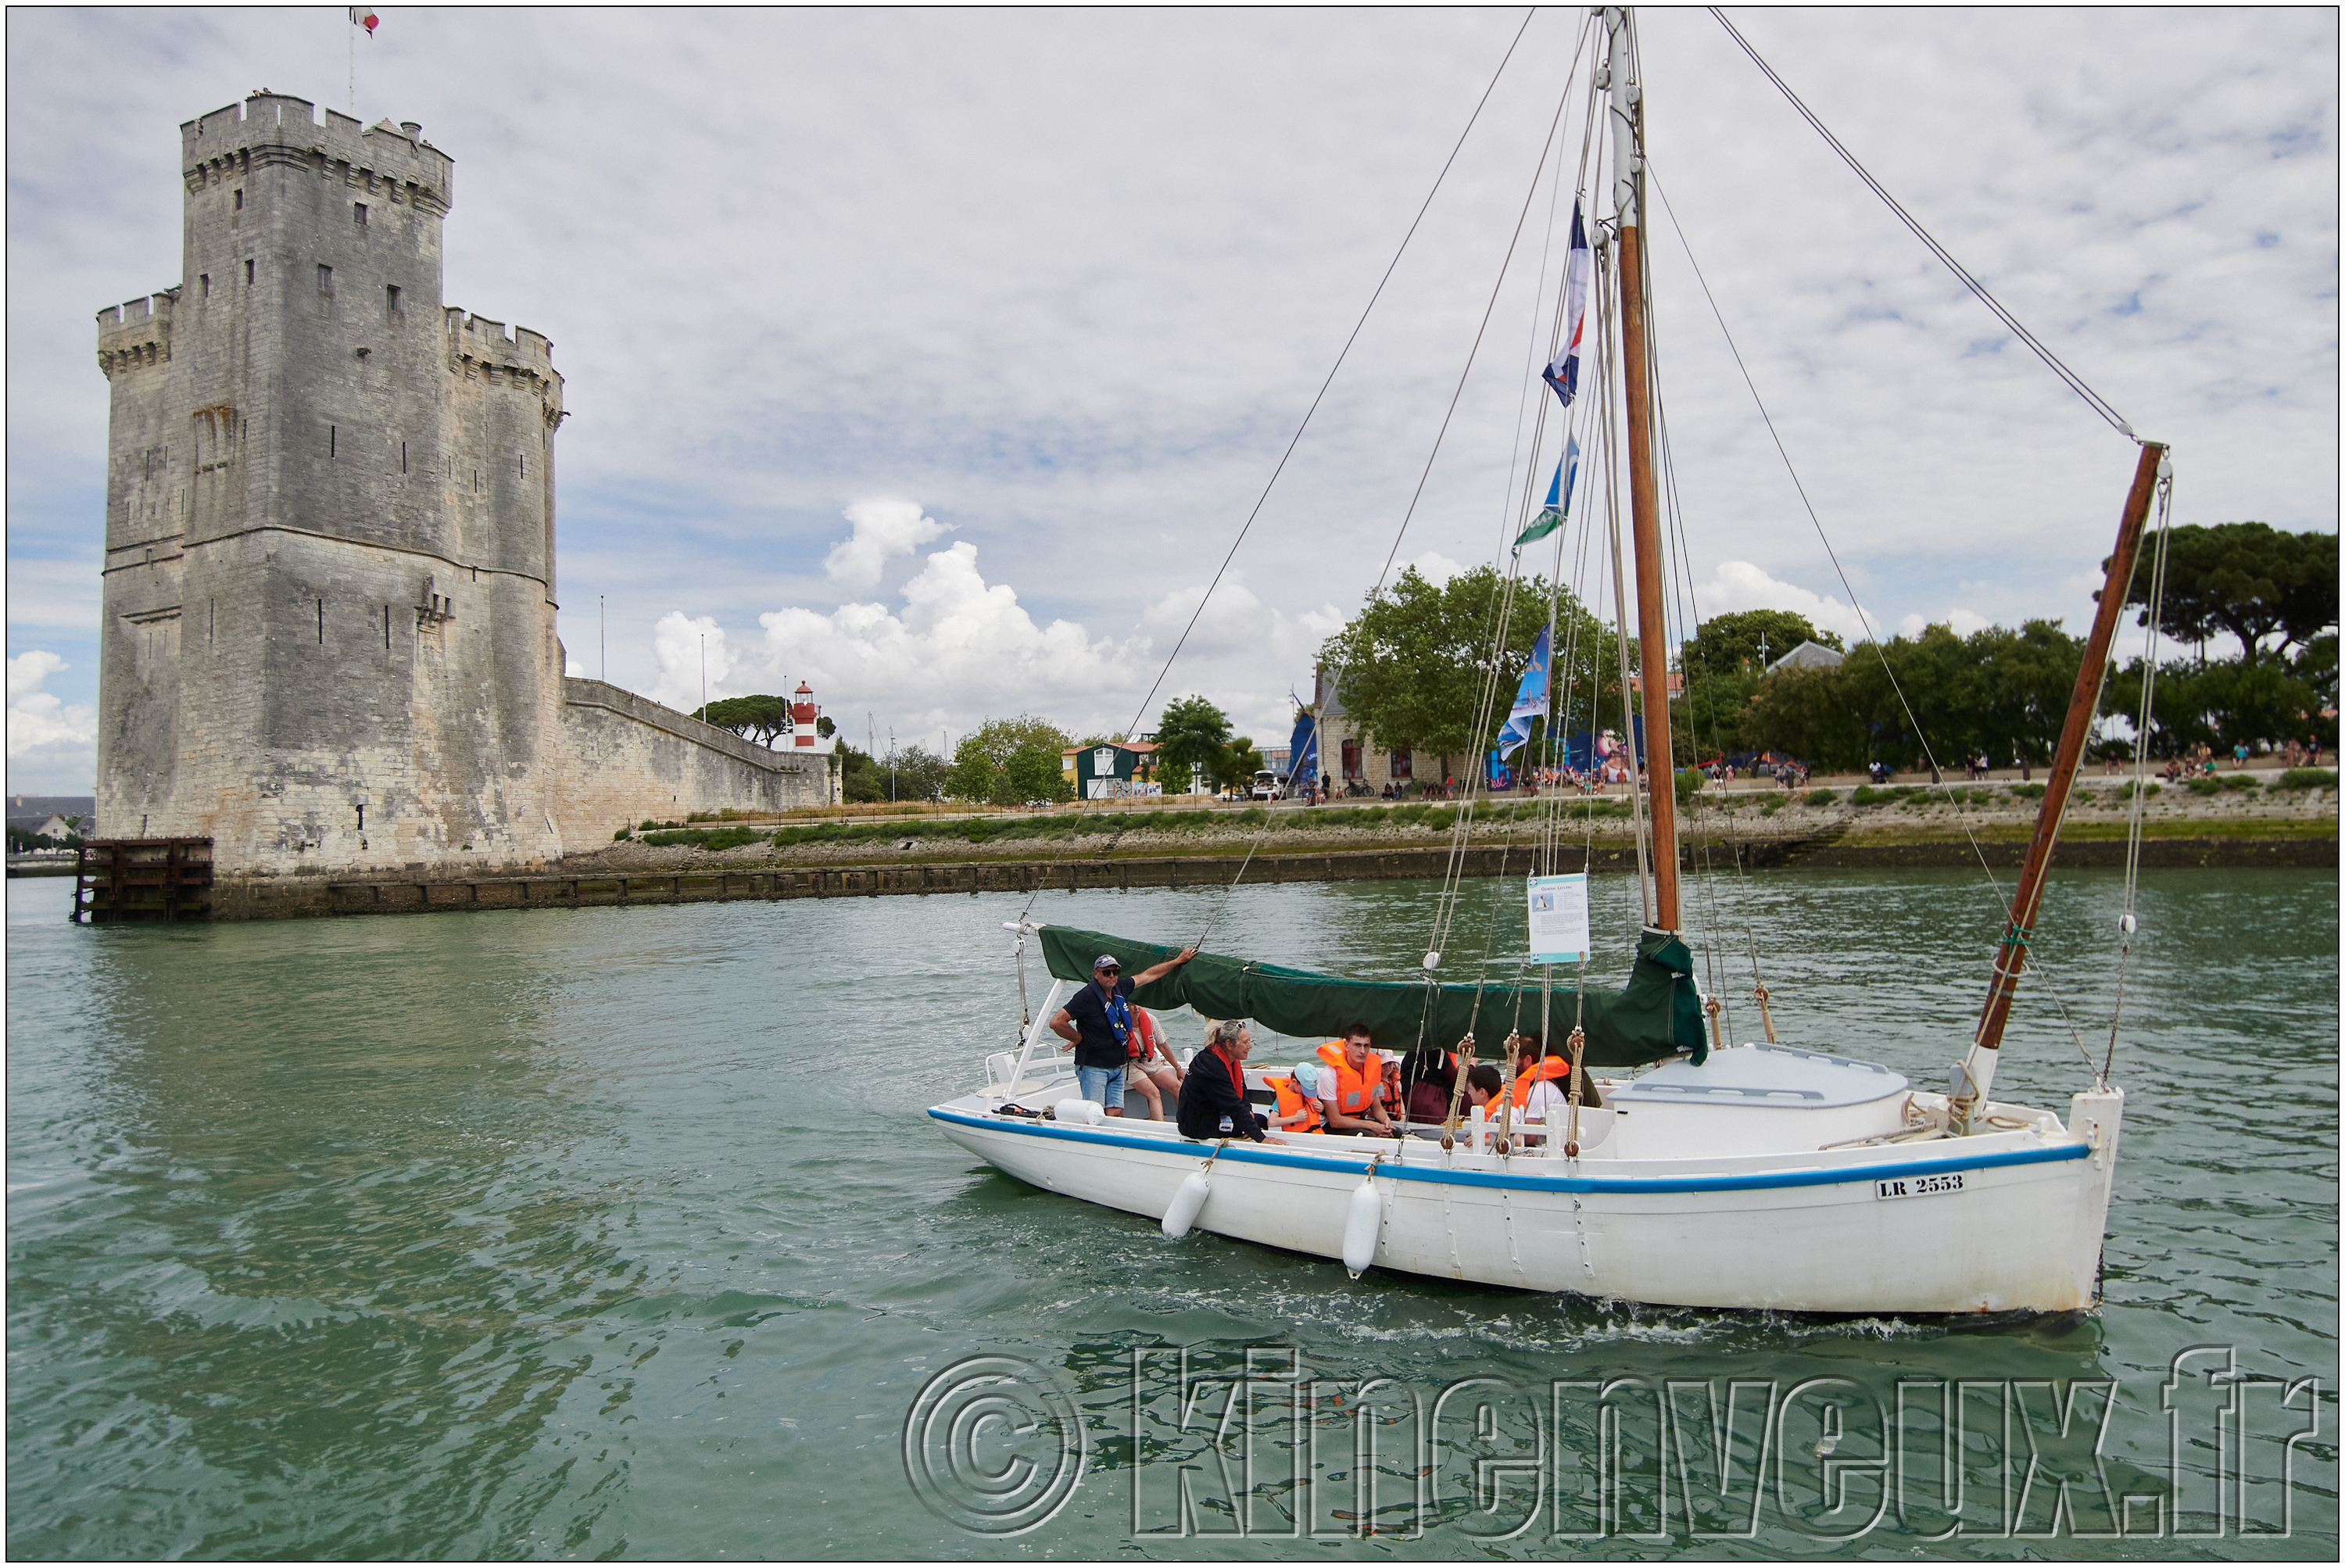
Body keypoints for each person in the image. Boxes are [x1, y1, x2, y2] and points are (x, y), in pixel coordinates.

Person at [1051, 946, 1198, 1116]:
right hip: (1094, 1066)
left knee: (1117, 1112)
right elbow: (1057, 1022)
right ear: (1096, 973)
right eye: (1107, 972)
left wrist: (1178, 961)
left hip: (1117, 1066)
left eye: (1115, 971)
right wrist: (1076, 1037)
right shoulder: (1086, 997)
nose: (1112, 976)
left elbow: (1148, 975)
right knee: (1094, 1112)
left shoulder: (1120, 987)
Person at [1177, 1018, 1266, 1141]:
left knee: (1256, 1120)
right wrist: (1261, 1138)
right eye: (1245, 1042)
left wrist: (1248, 1110)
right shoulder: (1211, 1067)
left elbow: (1242, 1088)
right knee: (1260, 1122)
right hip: (1197, 1124)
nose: (1249, 1046)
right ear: (1229, 1044)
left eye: (1250, 1041)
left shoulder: (1230, 1059)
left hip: (1214, 1114)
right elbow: (1232, 1105)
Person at [1315, 1024, 1398, 1137]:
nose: (1362, 1051)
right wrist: (1372, 1125)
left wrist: (1386, 1121)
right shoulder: (1329, 1075)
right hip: (1332, 1126)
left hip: (1360, 1121)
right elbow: (1335, 1121)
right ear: (1347, 1045)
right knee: (1371, 1136)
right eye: (1357, 1045)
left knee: (1396, 1133)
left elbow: (1377, 1109)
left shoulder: (1371, 1070)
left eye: (1366, 1046)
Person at [1122, 1005, 1185, 1121]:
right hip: (1130, 1066)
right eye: (1131, 1005)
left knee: (1178, 1088)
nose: (1136, 1008)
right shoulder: (1119, 1023)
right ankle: (1160, 1130)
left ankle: (1187, 1124)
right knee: (1154, 1093)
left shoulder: (1150, 1019)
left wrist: (1178, 1068)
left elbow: (1163, 1046)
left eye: (1137, 1004)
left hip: (1151, 1062)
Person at [1395, 1037, 1461, 1125]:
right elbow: (1453, 1077)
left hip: (1409, 1095)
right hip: (1431, 1101)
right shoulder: (1437, 1050)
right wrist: (1470, 1066)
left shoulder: (1415, 1047)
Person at [1268, 1061, 1324, 1133]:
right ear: (1294, 1082)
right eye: (1305, 1089)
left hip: (1316, 1135)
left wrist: (1322, 1108)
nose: (1307, 1093)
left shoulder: (1309, 1096)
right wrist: (1295, 1118)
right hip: (1297, 1138)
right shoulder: (1282, 1099)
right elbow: (1271, 1122)